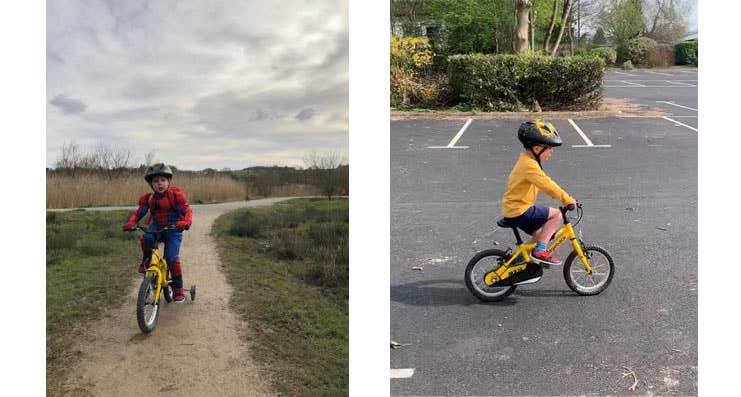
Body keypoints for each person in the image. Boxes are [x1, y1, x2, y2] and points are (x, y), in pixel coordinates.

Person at [501, 120, 577, 266]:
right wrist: (567, 199)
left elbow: (541, 184)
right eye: (549, 148)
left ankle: (518, 263)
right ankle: (540, 252)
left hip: (514, 209)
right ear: (537, 148)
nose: (551, 151)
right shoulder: (529, 166)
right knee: (556, 215)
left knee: (540, 234)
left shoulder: (527, 160)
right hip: (519, 210)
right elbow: (547, 184)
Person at [123, 163, 193, 302]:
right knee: (145, 238)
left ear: (168, 181)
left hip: (174, 229)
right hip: (157, 227)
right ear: (151, 184)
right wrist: (131, 222)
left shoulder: (176, 195)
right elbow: (139, 213)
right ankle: (147, 261)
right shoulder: (148, 198)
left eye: (163, 180)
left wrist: (185, 222)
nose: (160, 184)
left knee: (171, 257)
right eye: (155, 181)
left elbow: (186, 211)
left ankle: (178, 289)